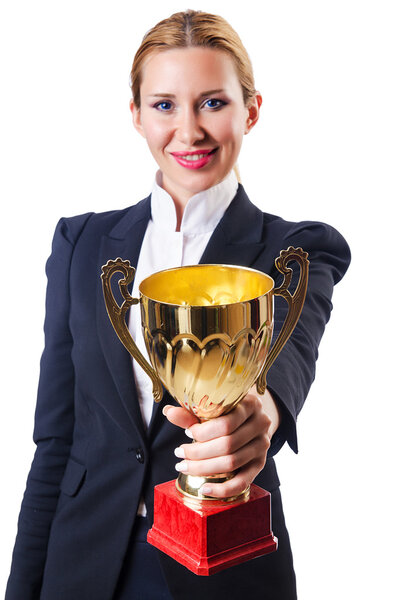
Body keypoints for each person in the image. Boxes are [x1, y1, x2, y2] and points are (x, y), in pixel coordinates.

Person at [5, 9, 350, 600]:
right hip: (82, 562)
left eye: (213, 103)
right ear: (135, 115)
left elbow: (291, 354)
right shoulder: (80, 244)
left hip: (222, 572)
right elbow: (55, 440)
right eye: (164, 104)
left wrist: (261, 412)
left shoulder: (295, 248)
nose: (188, 131)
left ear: (253, 110)